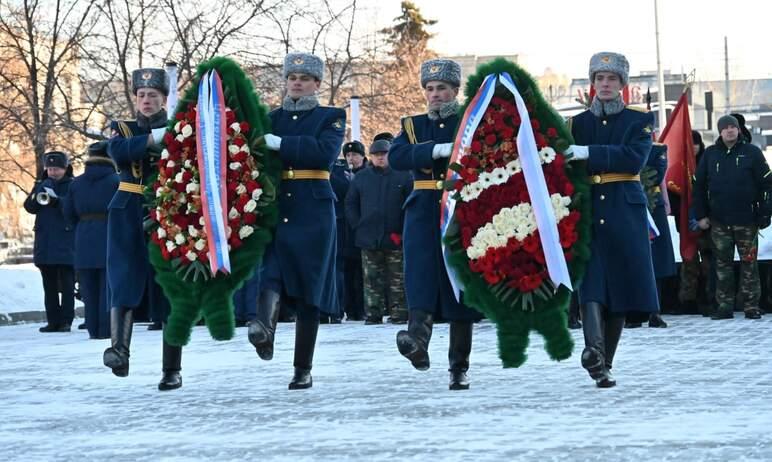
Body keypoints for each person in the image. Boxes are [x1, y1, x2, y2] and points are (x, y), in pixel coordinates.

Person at [248, 52, 346, 389]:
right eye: (292, 78)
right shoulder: (270, 117)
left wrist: (282, 144)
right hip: (278, 203)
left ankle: (302, 367)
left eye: (304, 79)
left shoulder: (331, 116)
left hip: (313, 209)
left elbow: (324, 154)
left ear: (317, 83)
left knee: (309, 291)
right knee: (270, 270)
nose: (297, 83)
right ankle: (264, 328)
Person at [566, 52, 658, 388]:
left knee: (619, 286)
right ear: (591, 84)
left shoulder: (639, 120)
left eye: (612, 79)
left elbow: (634, 160)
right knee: (591, 282)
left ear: (623, 85)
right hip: (588, 209)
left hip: (624, 209)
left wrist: (588, 154)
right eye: (599, 79)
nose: (605, 85)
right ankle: (593, 351)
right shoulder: (576, 124)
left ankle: (604, 361)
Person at [388, 59, 480, 391]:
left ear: (455, 91)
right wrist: (432, 151)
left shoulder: (468, 123)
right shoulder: (412, 125)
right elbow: (397, 156)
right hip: (422, 210)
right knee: (420, 277)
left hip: (459, 209)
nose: (435, 94)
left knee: (458, 290)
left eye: (442, 88)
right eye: (429, 89)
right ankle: (418, 343)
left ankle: (459, 366)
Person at [104, 67, 180, 390]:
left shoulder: (179, 129)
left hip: (168, 212)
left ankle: (171, 369)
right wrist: (151, 139)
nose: (146, 100)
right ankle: (119, 350)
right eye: (141, 95)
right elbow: (118, 153)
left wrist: (168, 137)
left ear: (164, 99)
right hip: (127, 211)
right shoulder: (122, 128)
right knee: (123, 279)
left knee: (169, 289)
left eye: (153, 95)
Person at [693, 114, 772, 320]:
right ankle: (724, 306)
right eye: (726, 127)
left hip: (747, 220)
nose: (730, 130)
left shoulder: (752, 153)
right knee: (722, 265)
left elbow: (767, 184)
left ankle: (751, 305)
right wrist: (701, 215)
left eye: (733, 127)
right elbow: (698, 187)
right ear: (720, 131)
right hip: (719, 221)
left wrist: (765, 213)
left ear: (739, 130)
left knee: (749, 264)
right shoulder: (710, 155)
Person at [346, 137, 412, 324]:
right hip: (368, 236)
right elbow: (350, 203)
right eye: (376, 155)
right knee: (371, 278)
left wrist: (404, 228)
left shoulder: (403, 175)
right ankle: (373, 313)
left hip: (395, 235)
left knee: (397, 278)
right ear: (371, 157)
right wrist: (357, 224)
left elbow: (410, 204)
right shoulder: (362, 178)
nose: (380, 158)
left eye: (383, 154)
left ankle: (399, 312)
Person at [62, 142, 119, 339]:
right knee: (107, 287)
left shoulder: (76, 183)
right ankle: (106, 330)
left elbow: (68, 213)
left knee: (88, 288)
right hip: (109, 235)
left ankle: (93, 330)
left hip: (83, 236)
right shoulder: (116, 181)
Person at [24, 151, 75, 333]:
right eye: (50, 169)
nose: (53, 172)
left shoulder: (73, 185)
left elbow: (73, 207)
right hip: (45, 242)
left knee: (68, 285)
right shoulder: (42, 184)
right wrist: (37, 190)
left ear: (64, 168)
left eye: (56, 169)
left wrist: (57, 201)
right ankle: (53, 321)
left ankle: (66, 321)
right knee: (49, 285)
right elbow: (30, 207)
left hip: (66, 241)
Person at [626, 143, 675, 328]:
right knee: (632, 260)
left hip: (653, 207)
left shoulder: (657, 149)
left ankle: (655, 311)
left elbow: (656, 176)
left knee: (657, 262)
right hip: (629, 205)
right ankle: (634, 312)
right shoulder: (623, 147)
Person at [670, 131, 714, 316]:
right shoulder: (679, 168)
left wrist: (707, 217)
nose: (693, 147)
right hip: (686, 225)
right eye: (690, 144)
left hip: (706, 225)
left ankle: (709, 300)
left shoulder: (707, 163)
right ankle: (687, 301)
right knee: (689, 264)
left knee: (709, 265)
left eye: (696, 143)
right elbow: (673, 196)